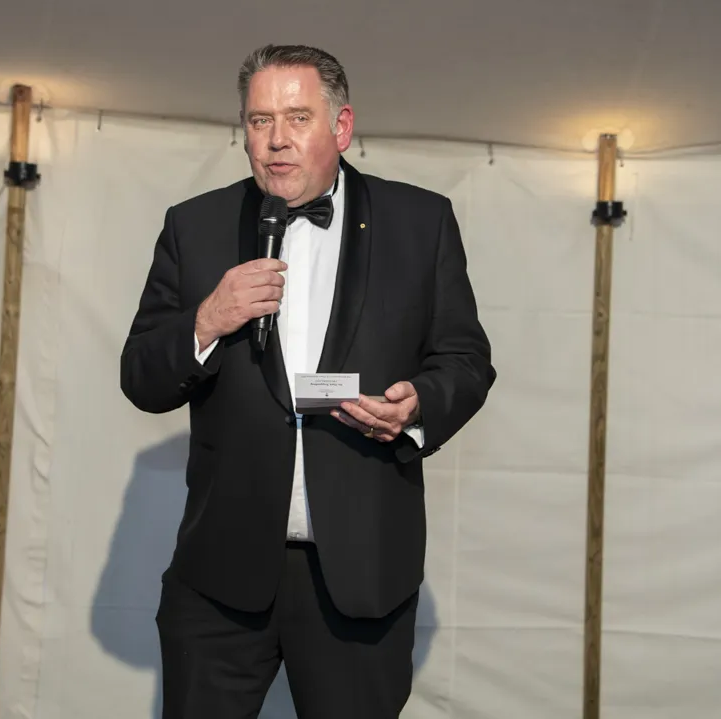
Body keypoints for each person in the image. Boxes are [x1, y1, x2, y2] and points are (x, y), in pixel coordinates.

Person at [119, 44, 495, 718]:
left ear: (341, 127)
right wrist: (207, 319)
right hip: (220, 578)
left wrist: (416, 408)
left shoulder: (420, 222)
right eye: (259, 120)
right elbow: (141, 376)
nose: (276, 139)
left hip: (361, 576)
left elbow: (466, 360)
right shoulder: (195, 225)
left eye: (297, 117)